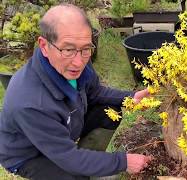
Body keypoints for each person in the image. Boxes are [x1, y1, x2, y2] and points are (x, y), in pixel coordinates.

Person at [0, 3, 152, 180]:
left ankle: (90, 160)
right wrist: (123, 162)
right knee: (73, 174)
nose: (79, 62)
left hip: (62, 130)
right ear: (44, 46)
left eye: (86, 49)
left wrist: (130, 97)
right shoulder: (30, 102)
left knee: (109, 112)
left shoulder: (77, 56)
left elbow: (95, 92)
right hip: (29, 154)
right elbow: (68, 158)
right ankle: (83, 167)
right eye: (68, 49)